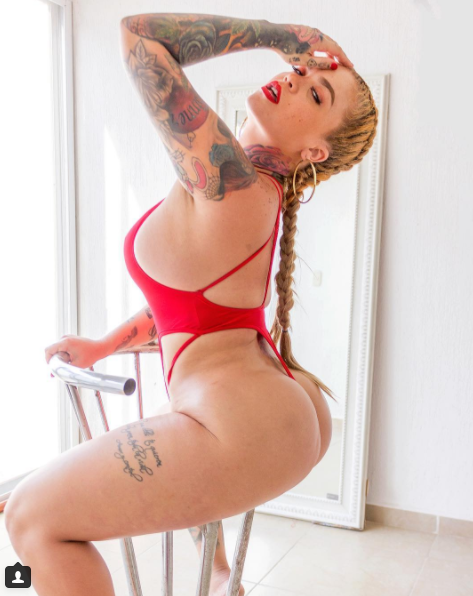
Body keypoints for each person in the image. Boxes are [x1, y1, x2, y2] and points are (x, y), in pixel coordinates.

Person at [5, 13, 378, 596]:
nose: (294, 74)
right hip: (265, 411)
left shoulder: (229, 181)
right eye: (304, 70)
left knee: (30, 516)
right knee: (52, 504)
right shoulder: (248, 187)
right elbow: (194, 313)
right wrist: (104, 345)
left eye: (316, 92)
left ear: (314, 150)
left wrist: (283, 36)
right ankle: (222, 571)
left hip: (246, 419)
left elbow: (139, 36)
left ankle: (221, 571)